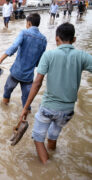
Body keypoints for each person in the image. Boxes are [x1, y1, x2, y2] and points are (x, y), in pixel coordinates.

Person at [19, 23, 92, 164]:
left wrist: (25, 107)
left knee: (38, 138)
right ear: (74, 39)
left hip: (48, 107)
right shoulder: (82, 56)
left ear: (56, 38)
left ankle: (48, 168)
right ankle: (52, 154)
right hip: (67, 110)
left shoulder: (49, 55)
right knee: (53, 135)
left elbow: (37, 83)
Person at [0, 13, 47, 109]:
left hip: (16, 72)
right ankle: (25, 119)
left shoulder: (24, 33)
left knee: (7, 91)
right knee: (26, 101)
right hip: (28, 76)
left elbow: (14, 47)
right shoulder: (43, 39)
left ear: (29, 23)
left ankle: (4, 109)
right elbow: (40, 60)